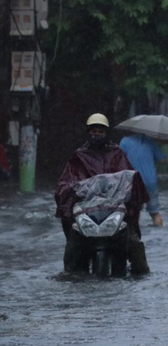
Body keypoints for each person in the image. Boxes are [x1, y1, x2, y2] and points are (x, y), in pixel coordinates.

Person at [55, 113, 150, 274]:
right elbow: (65, 183)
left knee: (134, 244)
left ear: (106, 134)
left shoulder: (117, 153)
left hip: (114, 209)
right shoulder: (79, 156)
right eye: (94, 131)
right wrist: (73, 190)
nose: (97, 135)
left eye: (100, 132)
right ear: (88, 132)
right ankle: (70, 275)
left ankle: (141, 274)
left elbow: (129, 178)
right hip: (86, 211)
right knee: (72, 245)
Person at [120, 133, 167, 226]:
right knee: (155, 213)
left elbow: (119, 160)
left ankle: (135, 237)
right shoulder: (150, 142)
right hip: (150, 181)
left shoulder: (125, 142)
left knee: (134, 213)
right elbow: (163, 160)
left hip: (133, 182)